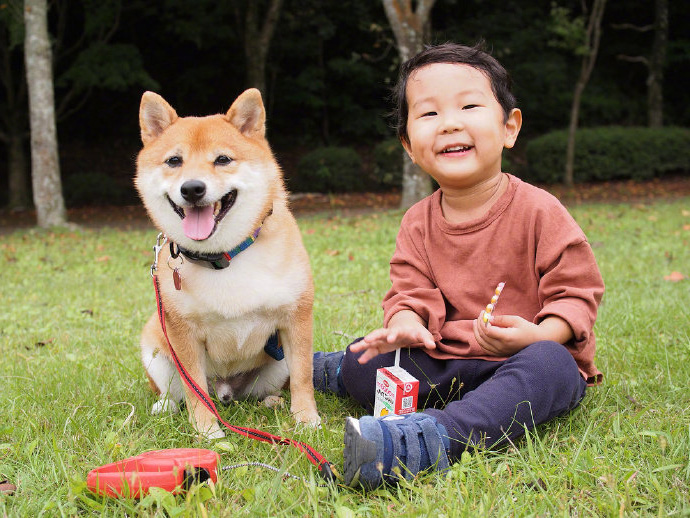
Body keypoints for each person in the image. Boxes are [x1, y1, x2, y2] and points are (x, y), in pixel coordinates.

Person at [313, 42, 605, 489]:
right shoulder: (418, 222)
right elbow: (409, 291)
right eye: (428, 114)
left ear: (509, 127)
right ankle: (326, 368)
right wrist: (407, 322)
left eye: (469, 105)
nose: (449, 123)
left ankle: (433, 438)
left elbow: (576, 290)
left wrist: (540, 334)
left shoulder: (539, 211)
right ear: (410, 146)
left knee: (551, 369)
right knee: (365, 359)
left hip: (521, 358)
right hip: (447, 358)